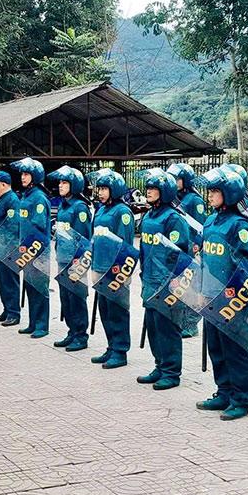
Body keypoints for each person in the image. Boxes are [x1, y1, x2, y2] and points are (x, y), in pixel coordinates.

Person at [196, 165, 248, 421]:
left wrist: (235, 297)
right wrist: (201, 289)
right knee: (216, 347)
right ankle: (223, 391)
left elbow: (245, 265)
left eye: (214, 192)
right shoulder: (211, 220)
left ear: (229, 194)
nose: (209, 196)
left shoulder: (239, 224)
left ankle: (241, 398)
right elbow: (204, 259)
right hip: (210, 294)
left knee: (235, 348)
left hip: (231, 298)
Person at [136, 168, 193, 391]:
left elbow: (181, 254)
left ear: (165, 191)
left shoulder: (173, 219)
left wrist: (174, 283)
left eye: (153, 189)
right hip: (150, 280)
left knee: (168, 328)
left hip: (167, 284)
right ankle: (159, 365)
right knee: (153, 326)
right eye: (148, 188)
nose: (148, 192)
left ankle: (171, 372)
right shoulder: (149, 216)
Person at [90, 169, 136, 369]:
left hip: (115, 271)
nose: (100, 192)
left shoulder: (122, 212)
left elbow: (125, 245)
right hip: (99, 266)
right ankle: (111, 346)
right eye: (99, 188)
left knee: (117, 311)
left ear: (114, 189)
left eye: (104, 188)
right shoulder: (100, 210)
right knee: (105, 310)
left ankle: (120, 350)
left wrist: (118, 272)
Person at [48, 165, 92, 352]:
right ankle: (71, 331)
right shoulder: (64, 205)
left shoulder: (79, 207)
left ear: (74, 185)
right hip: (62, 260)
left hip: (75, 263)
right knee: (66, 298)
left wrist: (78, 262)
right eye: (60, 182)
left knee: (76, 298)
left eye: (65, 182)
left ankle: (81, 335)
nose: (60, 185)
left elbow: (83, 239)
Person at [11, 157, 52, 339]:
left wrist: (32, 250)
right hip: (26, 251)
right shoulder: (25, 195)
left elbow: (39, 227)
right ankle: (33, 322)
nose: (23, 177)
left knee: (39, 288)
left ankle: (42, 325)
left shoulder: (39, 198)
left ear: (35, 176)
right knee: (29, 287)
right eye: (22, 174)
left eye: (27, 174)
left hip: (38, 251)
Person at [167, 161, 205, 338]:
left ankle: (191, 323)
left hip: (191, 249)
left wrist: (197, 245)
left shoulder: (194, 200)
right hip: (180, 247)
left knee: (192, 286)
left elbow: (199, 226)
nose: (173, 181)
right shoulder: (175, 198)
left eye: (177, 179)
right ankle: (181, 320)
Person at [0, 171, 22, 327]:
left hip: (8, 249)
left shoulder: (12, 200)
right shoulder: (2, 200)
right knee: (2, 281)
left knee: (10, 281)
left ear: (3, 184)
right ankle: (7, 309)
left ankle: (14, 313)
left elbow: (13, 226)